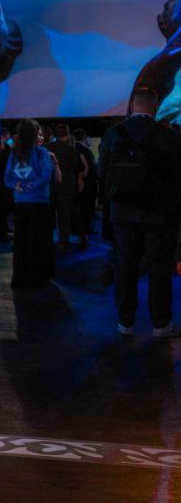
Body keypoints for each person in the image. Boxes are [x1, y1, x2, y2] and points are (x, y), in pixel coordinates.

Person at [100, 89, 181, 337]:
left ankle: (125, 322)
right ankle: (161, 324)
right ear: (155, 106)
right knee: (159, 268)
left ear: (132, 106)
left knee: (125, 266)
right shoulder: (169, 136)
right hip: (158, 213)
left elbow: (102, 173)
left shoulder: (113, 134)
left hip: (122, 212)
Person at [5, 119, 56, 288]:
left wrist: (18, 186)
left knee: (21, 243)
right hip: (39, 204)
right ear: (35, 134)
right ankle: (39, 279)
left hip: (21, 204)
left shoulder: (14, 153)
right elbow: (46, 176)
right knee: (39, 242)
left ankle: (21, 278)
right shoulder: (42, 153)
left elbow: (7, 178)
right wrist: (30, 186)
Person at [46, 124, 85, 254]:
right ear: (67, 135)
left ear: (56, 134)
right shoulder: (72, 150)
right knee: (65, 215)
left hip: (51, 185)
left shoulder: (47, 148)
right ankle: (63, 242)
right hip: (67, 186)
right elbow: (78, 168)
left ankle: (46, 241)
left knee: (49, 214)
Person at [72, 128, 98, 248]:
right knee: (86, 209)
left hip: (78, 186)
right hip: (86, 186)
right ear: (84, 137)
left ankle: (80, 230)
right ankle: (84, 232)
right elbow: (86, 171)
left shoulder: (73, 149)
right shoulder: (85, 151)